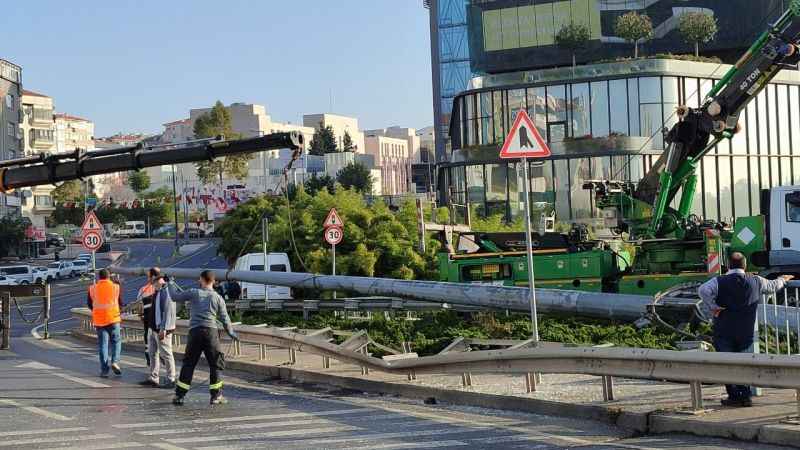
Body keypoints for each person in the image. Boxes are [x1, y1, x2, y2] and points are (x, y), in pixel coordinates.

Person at [698, 252, 793, 407]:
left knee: (727, 364)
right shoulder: (756, 280)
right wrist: (783, 278)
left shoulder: (718, 281)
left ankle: (735, 396)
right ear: (745, 265)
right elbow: (773, 286)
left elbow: (703, 290)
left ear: (728, 266)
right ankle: (745, 395)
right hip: (746, 331)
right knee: (744, 363)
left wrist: (714, 307)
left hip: (724, 330)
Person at [168, 270, 238, 405]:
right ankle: (216, 396)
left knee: (189, 364)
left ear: (201, 279)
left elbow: (174, 296)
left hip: (195, 333)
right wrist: (231, 333)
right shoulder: (218, 298)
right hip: (211, 333)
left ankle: (179, 396)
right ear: (213, 281)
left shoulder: (194, 293)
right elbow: (225, 318)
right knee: (215, 364)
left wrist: (170, 282)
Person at [139, 271, 177, 388]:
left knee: (166, 354)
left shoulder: (167, 293)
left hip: (162, 329)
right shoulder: (158, 292)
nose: (153, 284)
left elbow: (168, 313)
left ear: (160, 281)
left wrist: (163, 329)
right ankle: (154, 377)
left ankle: (171, 379)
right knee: (152, 354)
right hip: (153, 328)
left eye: (154, 282)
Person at [87, 268, 123, 378]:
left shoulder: (92, 288)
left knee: (103, 345)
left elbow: (89, 304)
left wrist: (97, 312)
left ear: (99, 277)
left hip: (99, 321)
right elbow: (120, 302)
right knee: (116, 341)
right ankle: (115, 362)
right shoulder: (115, 287)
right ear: (108, 276)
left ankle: (104, 370)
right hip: (113, 319)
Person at [137, 268, 159, 367]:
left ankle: (149, 360)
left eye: (148, 276)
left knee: (148, 339)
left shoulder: (143, 289)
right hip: (158, 319)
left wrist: (140, 315)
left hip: (147, 318)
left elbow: (139, 304)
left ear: (152, 277)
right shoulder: (160, 288)